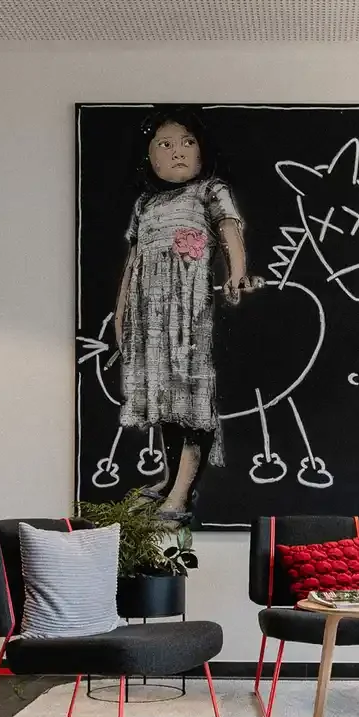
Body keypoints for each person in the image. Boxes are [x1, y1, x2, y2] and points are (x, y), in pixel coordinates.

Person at [114, 109, 251, 516]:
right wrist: (121, 313)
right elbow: (133, 261)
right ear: (149, 157)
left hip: (188, 316)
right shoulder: (145, 204)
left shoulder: (210, 191)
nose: (178, 152)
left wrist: (236, 274)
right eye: (166, 144)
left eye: (187, 142)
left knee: (189, 398)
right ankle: (171, 477)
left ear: (201, 150)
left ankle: (183, 491)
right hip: (149, 318)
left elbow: (230, 232)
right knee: (164, 400)